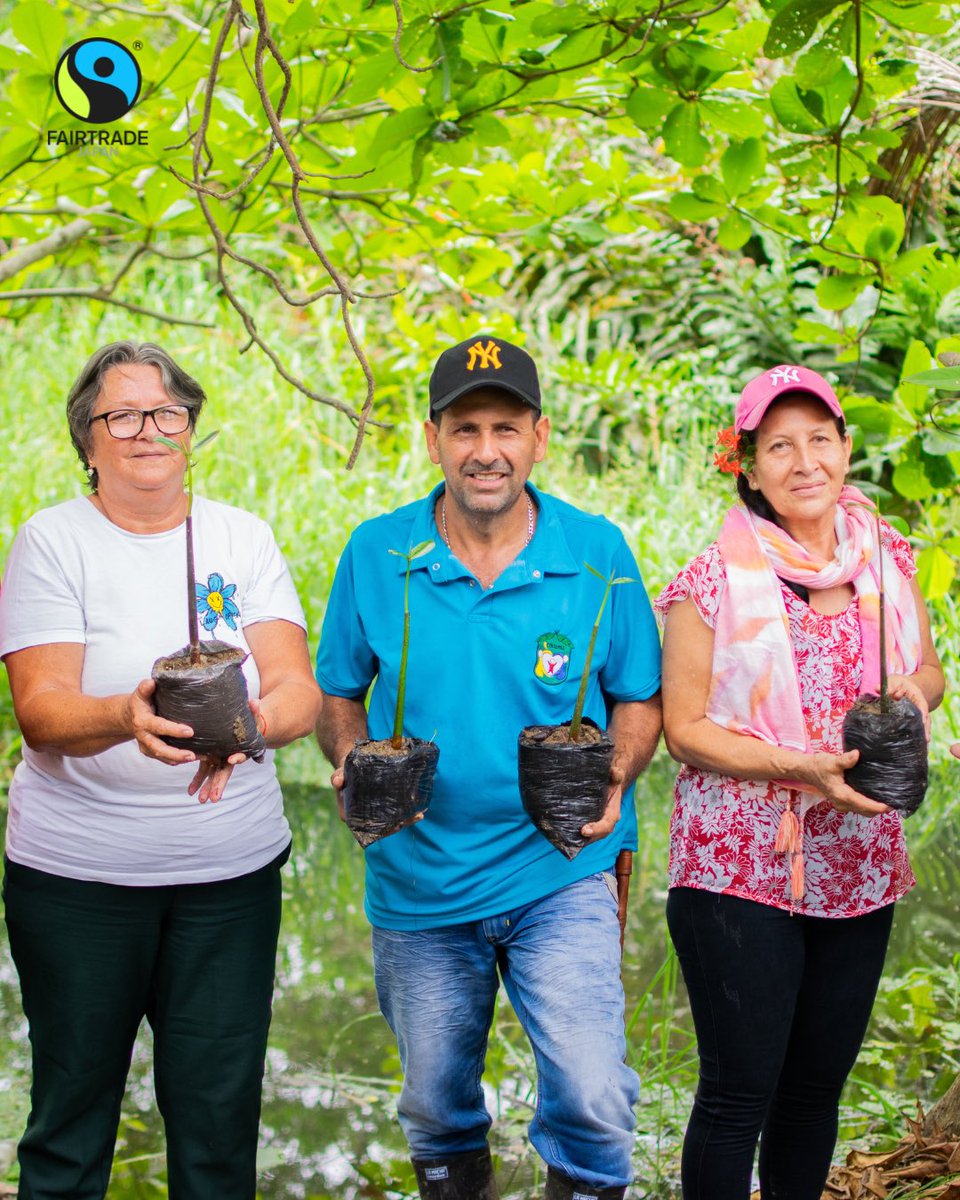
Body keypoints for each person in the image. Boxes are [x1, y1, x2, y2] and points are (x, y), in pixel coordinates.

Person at [315, 334, 662, 1200]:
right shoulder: (378, 554)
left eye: (505, 428)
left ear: (539, 436)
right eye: (465, 429)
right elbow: (336, 695)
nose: (485, 451)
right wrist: (352, 758)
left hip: (562, 867)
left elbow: (640, 698)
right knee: (435, 1101)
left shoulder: (597, 553)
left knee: (590, 1090)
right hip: (418, 878)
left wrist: (620, 768)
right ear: (434, 439)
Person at [0, 342, 322, 1200]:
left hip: (228, 881)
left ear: (190, 429)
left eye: (168, 413)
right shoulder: (52, 542)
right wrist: (122, 715)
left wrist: (250, 728)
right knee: (70, 1123)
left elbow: (298, 689)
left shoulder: (240, 537)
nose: (149, 430)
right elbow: (42, 709)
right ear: (88, 440)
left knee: (217, 1128)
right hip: (78, 884)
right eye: (123, 415)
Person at [657, 364, 945, 1200]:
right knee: (739, 1091)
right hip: (738, 864)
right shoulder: (711, 582)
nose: (804, 460)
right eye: (779, 446)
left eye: (820, 439)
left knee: (816, 1091)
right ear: (748, 466)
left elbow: (927, 672)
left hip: (859, 862)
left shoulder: (886, 561)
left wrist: (909, 701)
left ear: (846, 449)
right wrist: (802, 767)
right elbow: (686, 730)